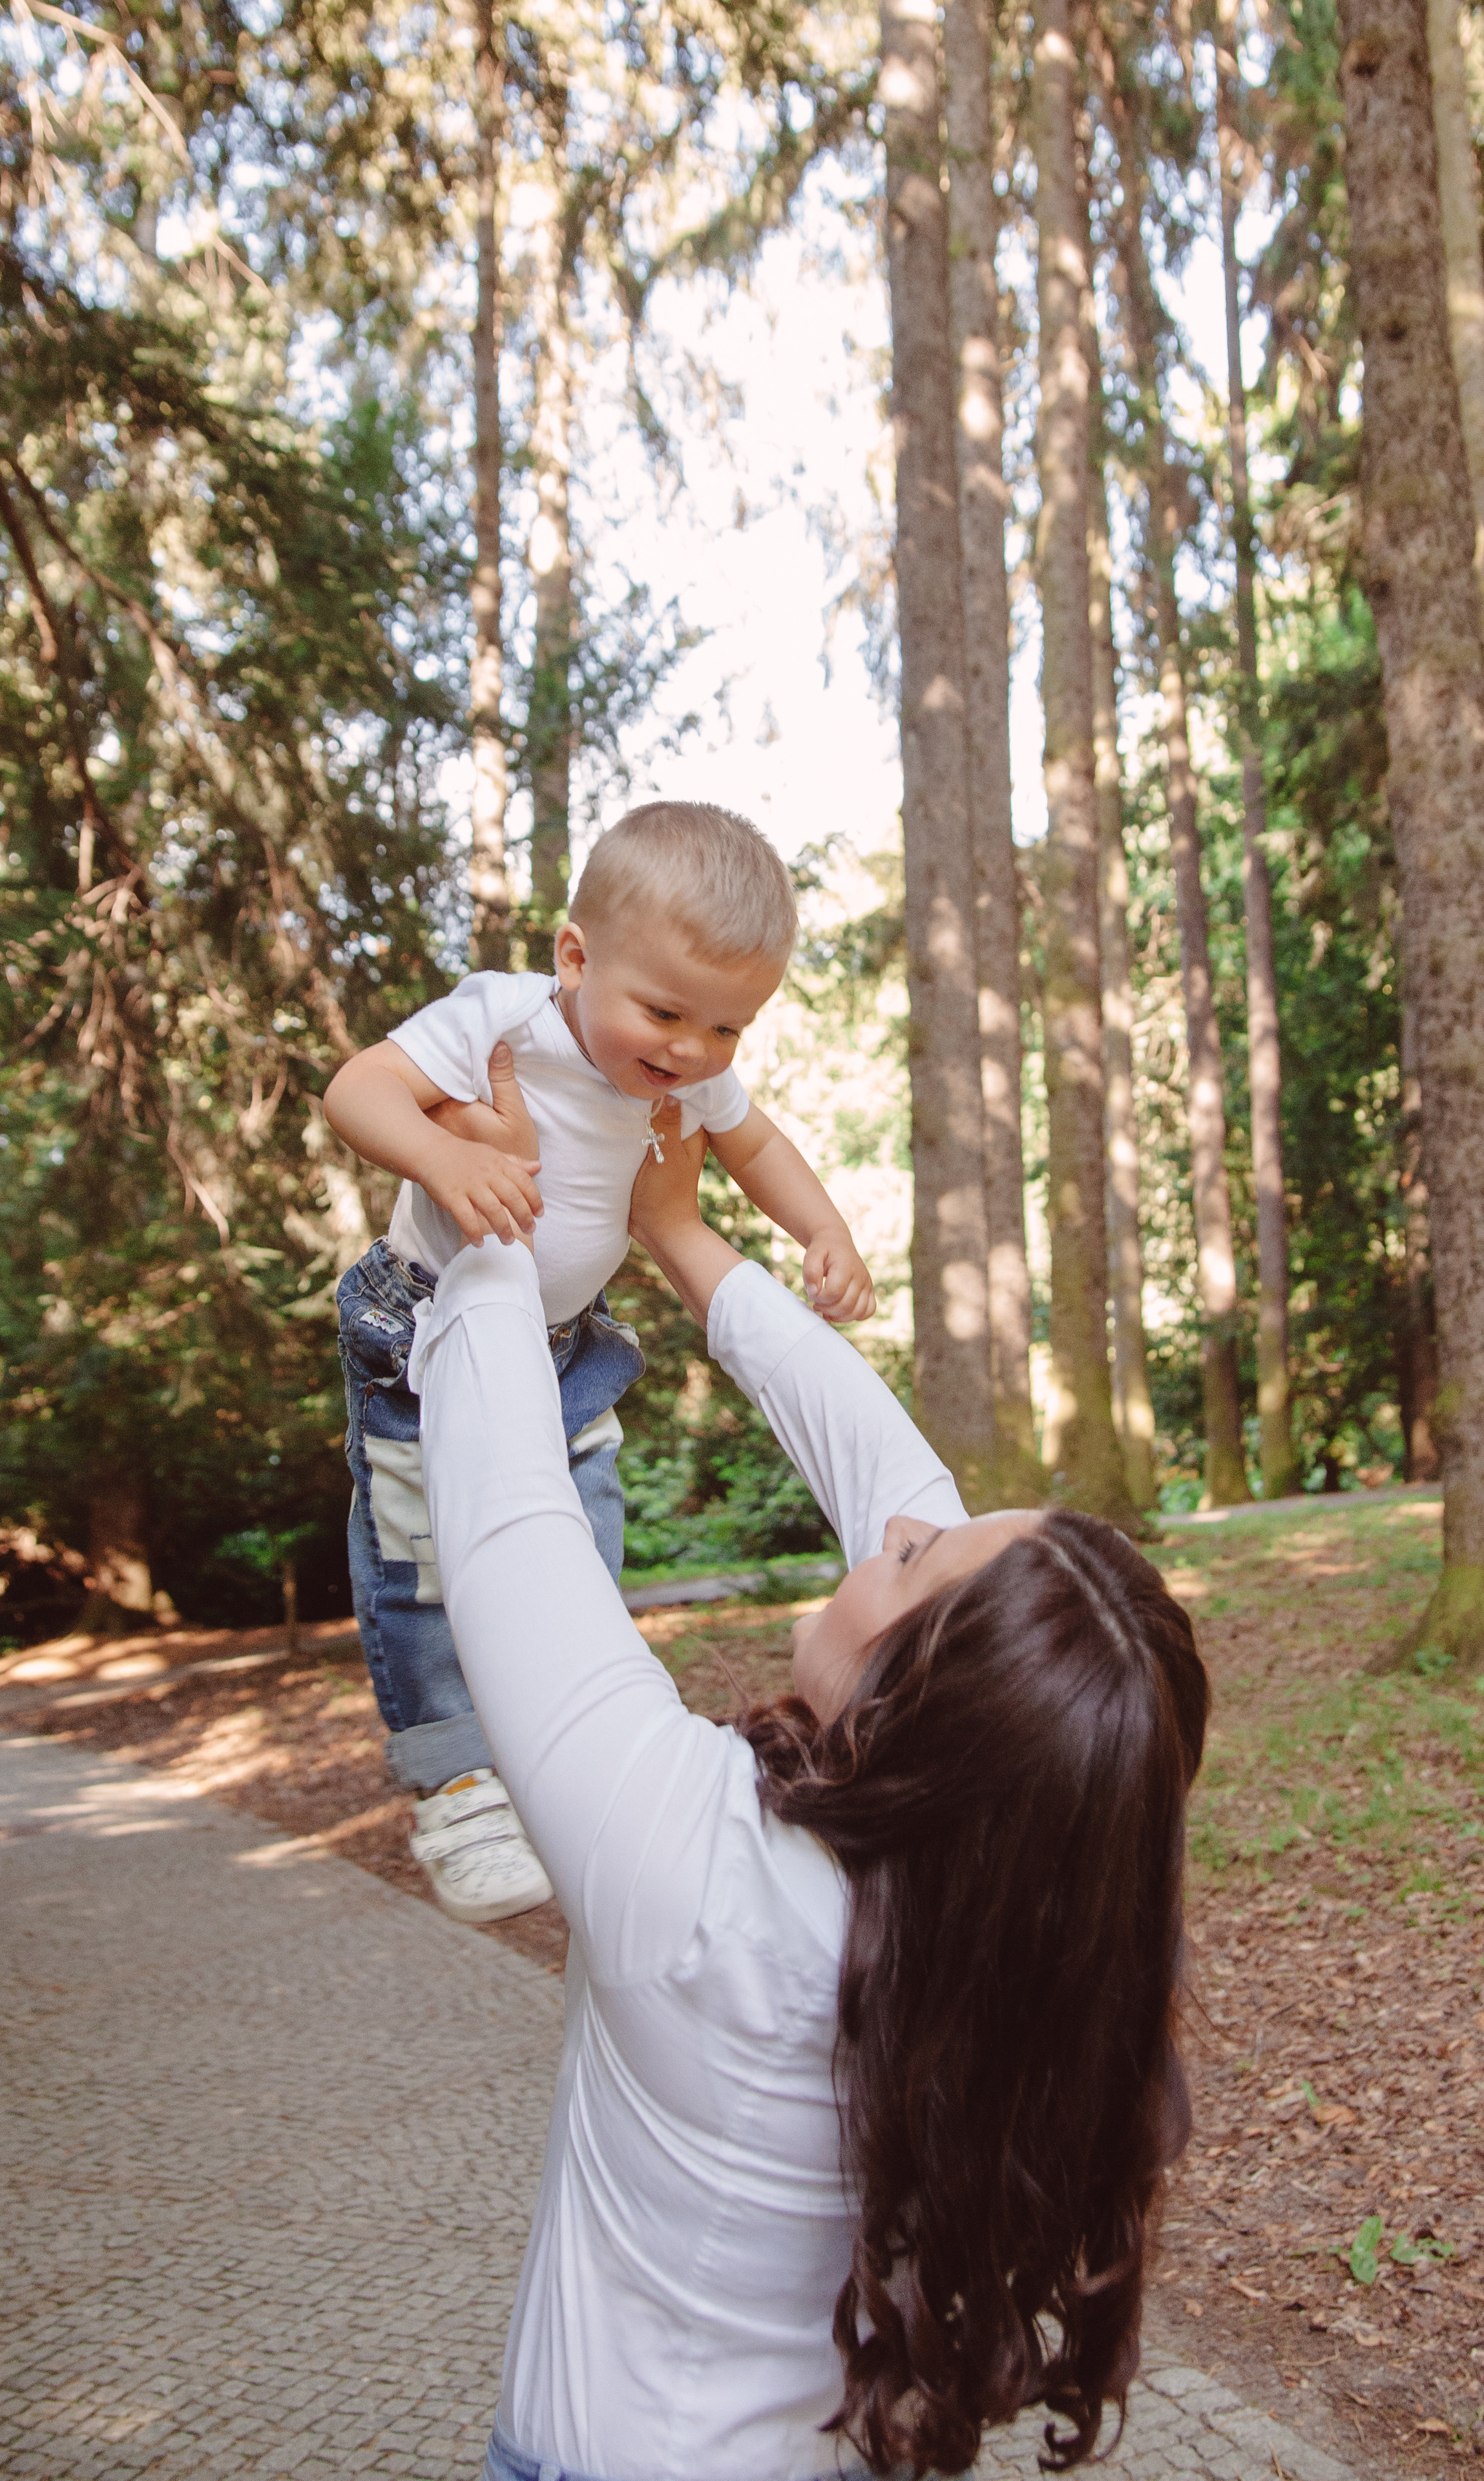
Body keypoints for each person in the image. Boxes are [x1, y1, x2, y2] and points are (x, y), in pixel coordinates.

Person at [408, 1101, 1210, 2481]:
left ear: (907, 1703)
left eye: (913, 1558)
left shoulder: (700, 1872)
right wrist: (678, 1234)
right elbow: (886, 1475)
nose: (896, 1525)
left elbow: (506, 1517)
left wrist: (484, 1211)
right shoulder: (1022, 1882)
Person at [323, 801, 876, 1925]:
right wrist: (438, 1156)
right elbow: (356, 1089)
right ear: (575, 958)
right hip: (422, 1327)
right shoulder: (503, 1017)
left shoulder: (683, 1076)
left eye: (727, 1030)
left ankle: (556, 1744)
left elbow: (755, 1141)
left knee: (584, 1538)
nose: (691, 1052)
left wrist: (825, 1229)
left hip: (565, 1340)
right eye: (664, 1013)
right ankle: (457, 1786)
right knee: (420, 1548)